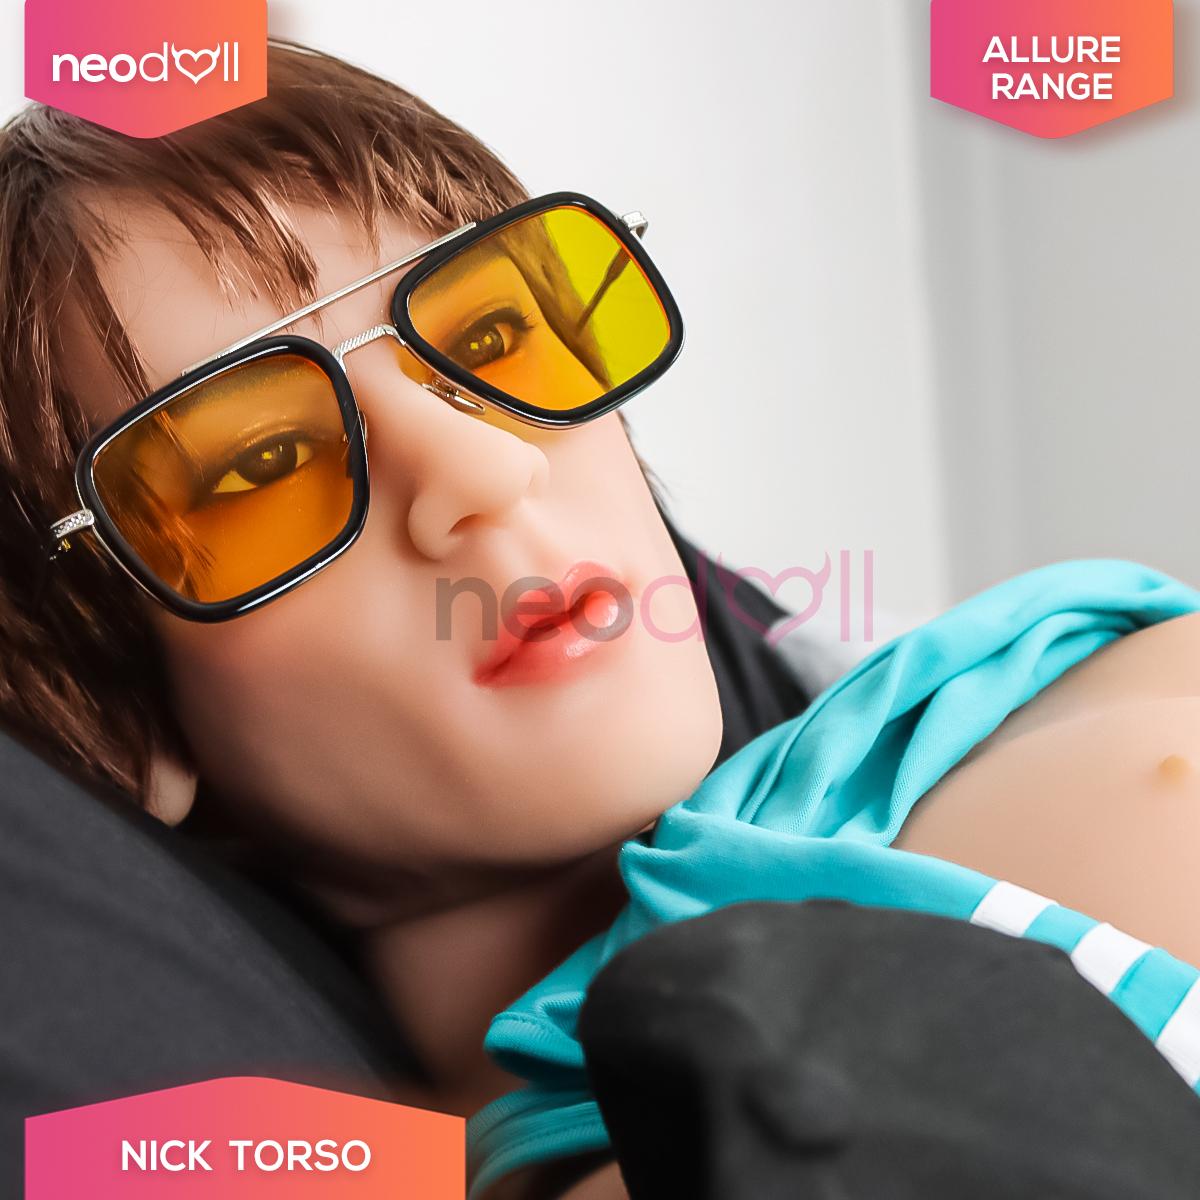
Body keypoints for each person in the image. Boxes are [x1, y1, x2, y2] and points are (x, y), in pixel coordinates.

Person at [3, 37, 1200, 1200]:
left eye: (491, 336)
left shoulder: (1015, 665)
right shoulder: (690, 1131)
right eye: (261, 462)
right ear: (114, 702)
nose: (484, 467)